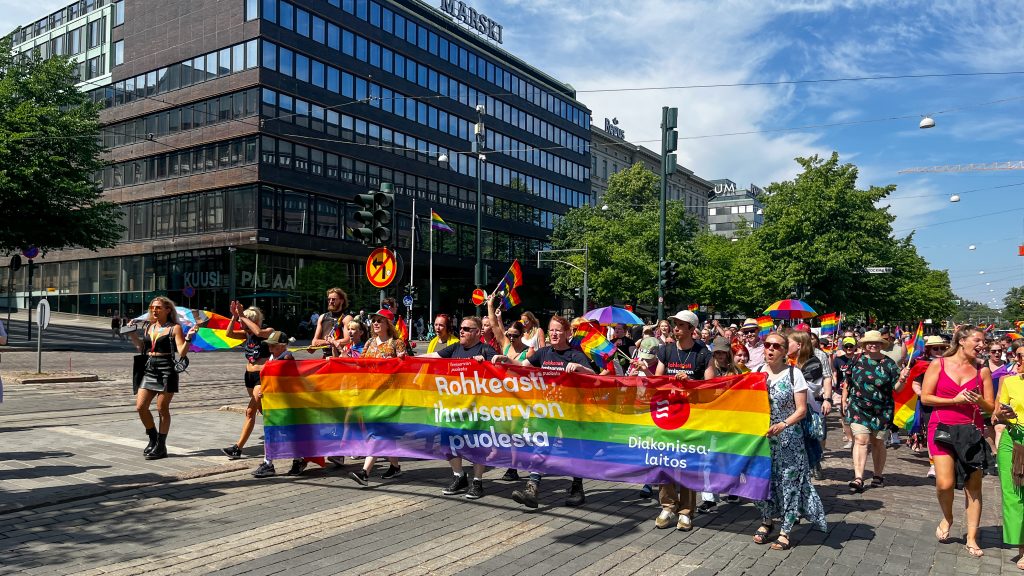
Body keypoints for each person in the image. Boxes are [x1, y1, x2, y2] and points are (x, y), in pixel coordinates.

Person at [492, 315, 595, 508]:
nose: (554, 334)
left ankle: (577, 488)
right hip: (546, 409)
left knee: (574, 448)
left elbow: (595, 377)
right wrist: (506, 359)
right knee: (541, 445)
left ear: (567, 333)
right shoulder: (544, 353)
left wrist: (580, 368)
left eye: (558, 330)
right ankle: (532, 488)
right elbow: (523, 367)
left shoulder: (575, 354)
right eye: (552, 330)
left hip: (570, 411)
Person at [921, 326, 994, 559]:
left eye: (984, 341)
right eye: (978, 340)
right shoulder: (939, 364)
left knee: (974, 487)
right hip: (942, 428)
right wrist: (954, 399)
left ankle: (971, 537)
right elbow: (925, 397)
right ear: (962, 341)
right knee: (944, 483)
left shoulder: (982, 371)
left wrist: (980, 400)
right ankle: (948, 517)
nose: (982, 344)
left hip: (971, 432)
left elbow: (991, 407)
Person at [752, 331, 828, 550]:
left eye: (776, 346)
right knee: (763, 480)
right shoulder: (757, 373)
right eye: (768, 345)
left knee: (789, 483)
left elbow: (802, 410)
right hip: (763, 438)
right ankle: (767, 521)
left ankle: (785, 529)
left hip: (788, 438)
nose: (771, 349)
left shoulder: (795, 374)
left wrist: (783, 424)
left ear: (785, 351)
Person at [421, 316, 497, 499]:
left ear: (478, 332)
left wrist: (487, 362)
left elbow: (501, 365)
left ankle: (477, 481)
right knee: (447, 440)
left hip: (477, 408)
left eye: (466, 328)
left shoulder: (485, 349)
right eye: (461, 328)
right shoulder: (455, 348)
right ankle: (459, 476)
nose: (461, 331)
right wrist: (405, 358)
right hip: (452, 406)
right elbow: (433, 356)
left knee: (477, 444)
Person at [653, 310, 712, 531]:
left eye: (680, 325)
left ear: (691, 329)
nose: (675, 327)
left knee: (688, 462)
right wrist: (646, 373)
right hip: (667, 415)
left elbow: (710, 388)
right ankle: (667, 505)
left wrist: (691, 383)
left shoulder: (703, 353)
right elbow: (658, 382)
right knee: (665, 459)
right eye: (674, 323)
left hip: (692, 417)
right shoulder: (666, 350)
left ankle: (687, 510)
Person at [128, 297, 197, 460]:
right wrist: (131, 333)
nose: (154, 310)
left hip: (167, 368)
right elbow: (141, 347)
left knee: (162, 408)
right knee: (140, 406)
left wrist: (188, 338)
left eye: (158, 307)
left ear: (167, 310)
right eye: (152, 307)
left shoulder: (175, 328)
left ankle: (161, 445)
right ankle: (153, 437)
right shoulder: (148, 326)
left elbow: (182, 351)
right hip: (149, 367)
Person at [349, 309, 408, 486]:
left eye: (379, 321)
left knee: (378, 433)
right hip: (371, 394)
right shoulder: (368, 343)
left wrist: (400, 361)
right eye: (373, 320)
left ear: (387, 324)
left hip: (389, 396)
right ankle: (395, 467)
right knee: (385, 434)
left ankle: (364, 472)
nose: (375, 323)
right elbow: (361, 366)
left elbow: (404, 369)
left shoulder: (397, 344)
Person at [842, 330, 904, 493]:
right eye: (870, 342)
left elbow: (896, 389)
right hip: (858, 407)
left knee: (877, 442)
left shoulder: (889, 363)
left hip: (882, 409)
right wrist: (844, 399)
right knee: (861, 440)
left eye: (877, 343)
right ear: (864, 345)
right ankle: (858, 477)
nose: (873, 345)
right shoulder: (856, 360)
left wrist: (903, 379)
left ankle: (877, 475)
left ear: (881, 345)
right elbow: (847, 382)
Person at [696, 336, 743, 512]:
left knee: (729, 458)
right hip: (710, 420)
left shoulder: (736, 371)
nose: (720, 355)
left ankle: (732, 487)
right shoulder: (707, 369)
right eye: (717, 351)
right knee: (707, 458)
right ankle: (709, 498)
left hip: (730, 421)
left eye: (723, 351)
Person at [993, 360, 1024, 570]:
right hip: (1013, 441)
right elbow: (997, 414)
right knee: (1014, 494)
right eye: (1020, 356)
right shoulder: (1010, 382)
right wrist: (1005, 415)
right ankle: (1023, 548)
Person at [790, 330, 832, 480]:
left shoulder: (819, 356)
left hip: (813, 402)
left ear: (799, 344)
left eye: (789, 342)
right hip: (791, 405)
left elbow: (827, 377)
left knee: (814, 434)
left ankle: (815, 461)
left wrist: (827, 399)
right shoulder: (786, 358)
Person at [911, 336, 950, 477]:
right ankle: (933, 464)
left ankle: (947, 461)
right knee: (932, 434)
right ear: (928, 350)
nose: (939, 350)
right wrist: (923, 395)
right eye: (935, 348)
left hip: (949, 403)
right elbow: (915, 383)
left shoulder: (951, 363)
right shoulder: (922, 365)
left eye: (942, 348)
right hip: (929, 405)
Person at [309, 288, 353, 358]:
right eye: (329, 299)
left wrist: (323, 342)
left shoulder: (346, 318)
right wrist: (331, 342)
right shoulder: (322, 317)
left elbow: (348, 340)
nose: (330, 301)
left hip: (341, 358)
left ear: (341, 301)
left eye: (333, 299)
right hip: (326, 358)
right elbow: (314, 342)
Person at [833, 337, 858, 449]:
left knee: (855, 416)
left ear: (855, 347)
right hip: (840, 390)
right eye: (846, 346)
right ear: (843, 347)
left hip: (855, 391)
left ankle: (858, 438)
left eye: (851, 346)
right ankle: (850, 439)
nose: (849, 348)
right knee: (844, 416)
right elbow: (834, 372)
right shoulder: (838, 360)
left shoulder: (859, 359)